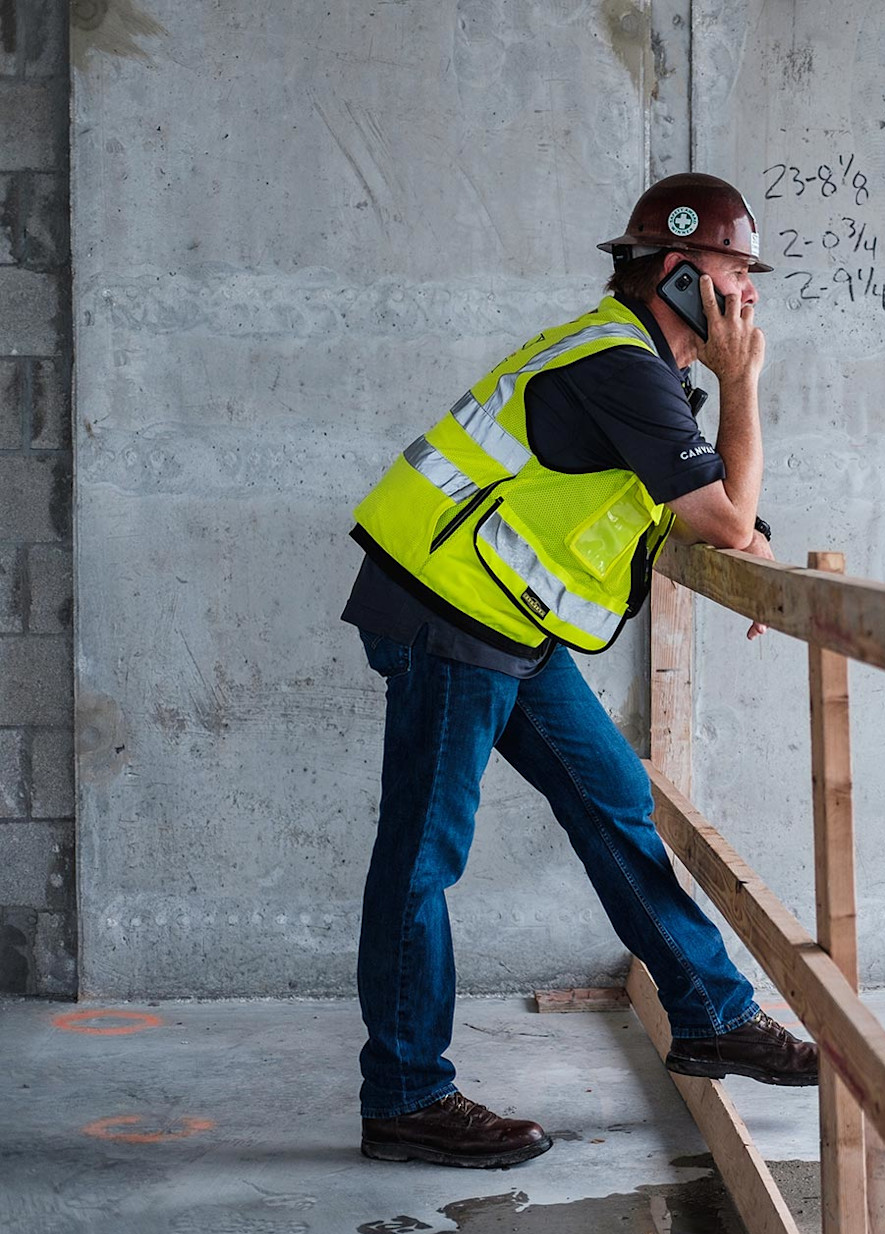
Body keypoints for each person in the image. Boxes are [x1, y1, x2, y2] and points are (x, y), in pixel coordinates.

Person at [340, 173, 814, 1169]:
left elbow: (689, 504)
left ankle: (709, 1013)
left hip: (500, 621)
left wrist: (747, 534)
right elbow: (718, 509)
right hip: (446, 615)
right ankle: (406, 1096)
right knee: (422, 859)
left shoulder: (635, 369)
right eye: (735, 273)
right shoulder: (621, 366)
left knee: (611, 802)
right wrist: (744, 387)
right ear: (681, 276)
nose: (749, 297)